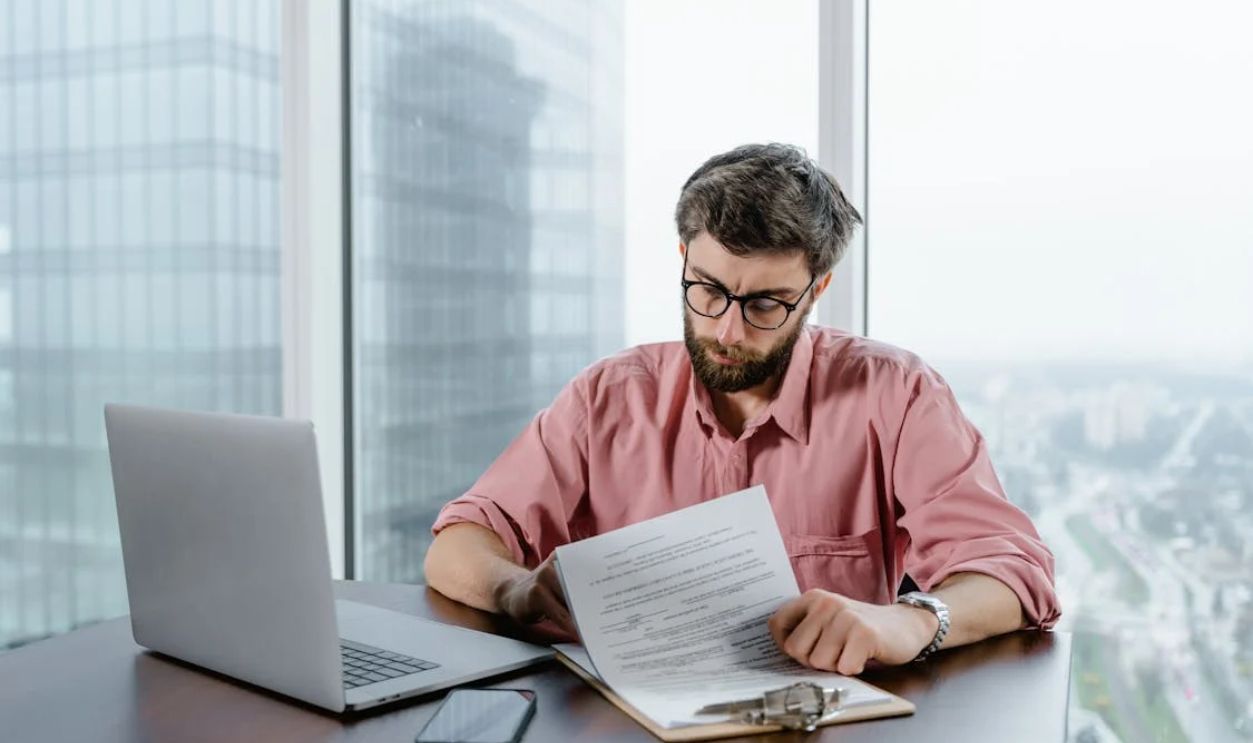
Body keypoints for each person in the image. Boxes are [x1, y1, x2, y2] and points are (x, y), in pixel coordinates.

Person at [425, 143, 1060, 674]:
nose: (728, 331)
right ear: (684, 260)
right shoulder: (607, 398)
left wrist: (911, 619)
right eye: (709, 291)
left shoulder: (897, 395)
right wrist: (512, 589)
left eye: (765, 305)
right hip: (621, 723)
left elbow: (1014, 570)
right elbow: (458, 544)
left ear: (817, 290)